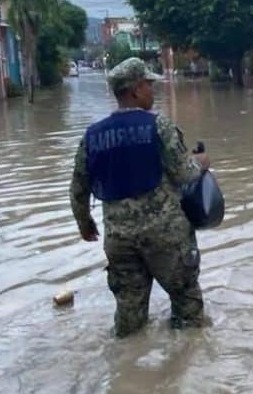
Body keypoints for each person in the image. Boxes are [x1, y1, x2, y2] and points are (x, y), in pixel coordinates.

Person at [69, 58, 209, 337]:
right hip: (166, 236)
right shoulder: (159, 126)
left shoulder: (93, 136)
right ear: (135, 90)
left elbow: (78, 188)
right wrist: (202, 162)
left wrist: (85, 224)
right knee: (188, 310)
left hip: (119, 240)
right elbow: (184, 175)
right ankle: (186, 368)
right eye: (148, 85)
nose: (152, 90)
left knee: (129, 317)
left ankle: (128, 372)